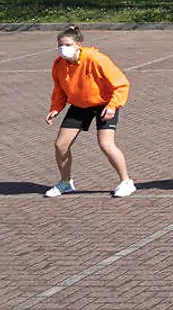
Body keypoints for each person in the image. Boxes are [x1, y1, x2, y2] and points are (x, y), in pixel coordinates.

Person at [44, 25, 135, 198]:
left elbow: (121, 83)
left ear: (79, 44)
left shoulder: (95, 59)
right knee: (60, 145)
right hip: (79, 105)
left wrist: (112, 105)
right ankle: (65, 182)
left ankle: (126, 182)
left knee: (106, 143)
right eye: (60, 45)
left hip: (104, 103)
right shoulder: (59, 65)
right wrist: (55, 108)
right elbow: (60, 91)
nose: (63, 49)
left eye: (68, 45)